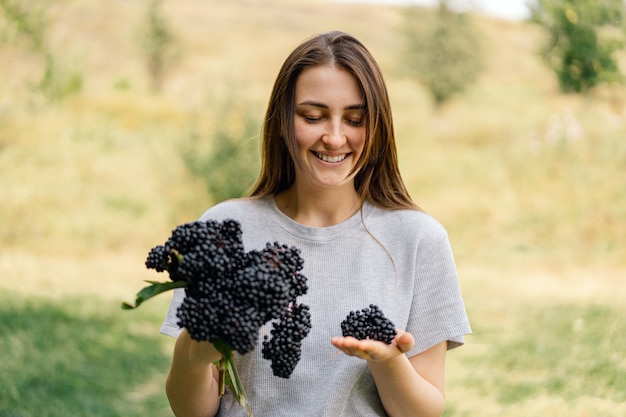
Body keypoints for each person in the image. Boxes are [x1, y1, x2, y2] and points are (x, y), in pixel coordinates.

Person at [160, 30, 471, 417]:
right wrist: (192, 357)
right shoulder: (224, 230)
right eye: (313, 116)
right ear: (282, 120)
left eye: (355, 119)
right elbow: (191, 411)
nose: (335, 137)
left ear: (378, 127)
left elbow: (424, 411)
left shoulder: (418, 239)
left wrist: (387, 361)